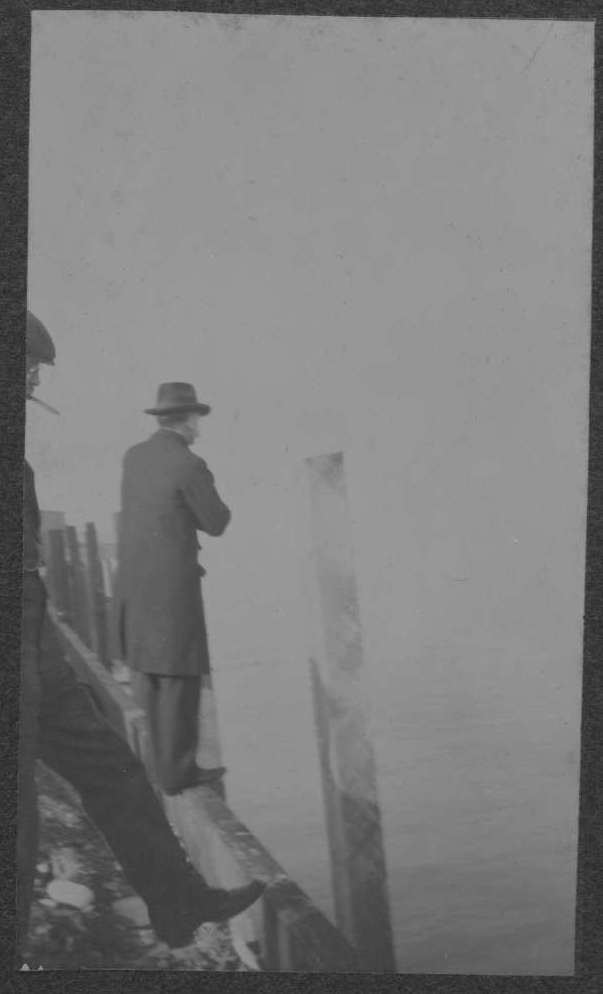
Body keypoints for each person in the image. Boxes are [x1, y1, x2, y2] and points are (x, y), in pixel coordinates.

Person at [17, 312, 265, 964]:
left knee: (119, 773)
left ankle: (178, 902)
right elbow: (216, 522)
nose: (32, 381)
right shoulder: (186, 462)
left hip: (42, 647)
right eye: (24, 368)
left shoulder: (114, 458)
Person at [117, 382, 229, 795]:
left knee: (151, 675)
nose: (199, 427)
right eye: (197, 419)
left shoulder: (134, 457)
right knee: (180, 678)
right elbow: (216, 522)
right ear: (188, 420)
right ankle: (178, 774)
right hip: (172, 592)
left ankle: (160, 768)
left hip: (134, 586)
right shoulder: (189, 463)